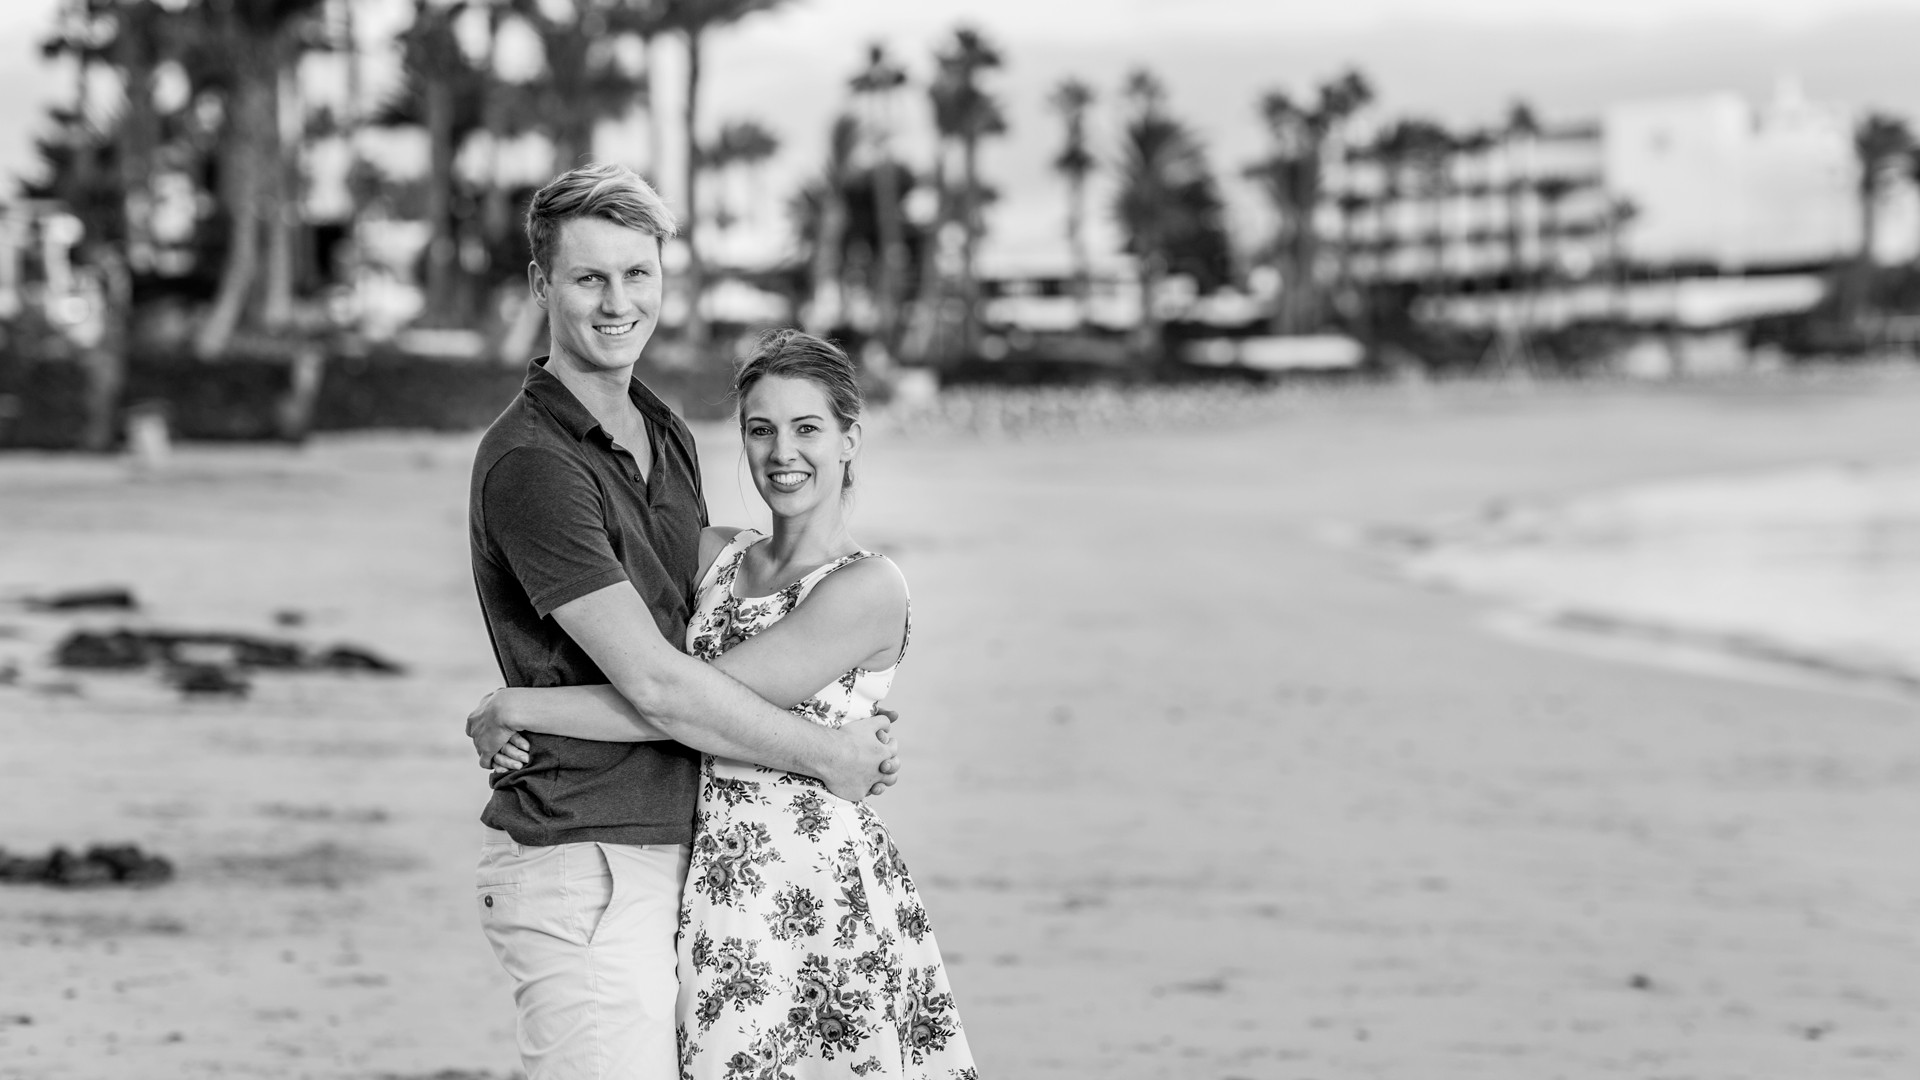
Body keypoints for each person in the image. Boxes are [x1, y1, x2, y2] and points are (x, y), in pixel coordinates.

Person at [465, 164, 901, 1080]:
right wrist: (828, 753)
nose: (617, 302)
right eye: (589, 278)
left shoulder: (662, 431)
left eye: (638, 274)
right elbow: (662, 685)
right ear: (542, 285)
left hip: (695, 862)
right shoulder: (535, 464)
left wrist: (522, 705)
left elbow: (703, 638)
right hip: (584, 857)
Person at [477, 330, 976, 1079]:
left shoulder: (867, 588)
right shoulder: (713, 556)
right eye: (760, 429)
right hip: (711, 876)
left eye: (808, 428)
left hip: (810, 886)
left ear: (850, 439)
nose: (783, 452)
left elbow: (683, 704)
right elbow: (630, 653)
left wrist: (520, 709)